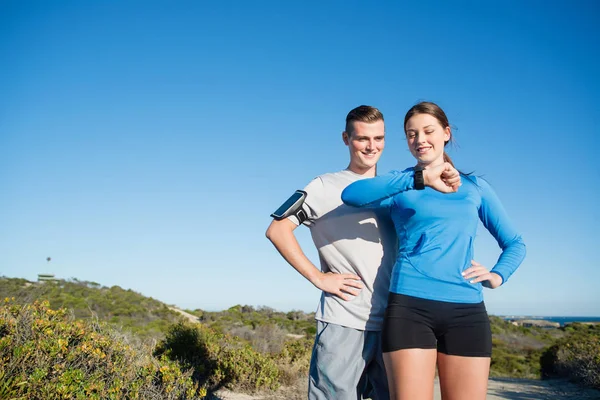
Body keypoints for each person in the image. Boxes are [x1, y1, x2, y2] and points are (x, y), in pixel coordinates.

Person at [341, 101, 526, 400]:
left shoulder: (474, 187)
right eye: (411, 134)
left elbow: (515, 243)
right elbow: (351, 195)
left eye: (428, 131)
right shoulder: (401, 184)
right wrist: (420, 179)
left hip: (467, 311)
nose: (419, 140)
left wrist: (497, 275)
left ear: (446, 133)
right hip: (410, 308)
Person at [265, 105, 396, 399]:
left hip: (395, 323)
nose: (371, 146)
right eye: (362, 138)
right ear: (346, 139)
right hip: (344, 321)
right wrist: (319, 278)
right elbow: (277, 230)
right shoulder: (324, 185)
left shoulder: (394, 189)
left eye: (379, 138)